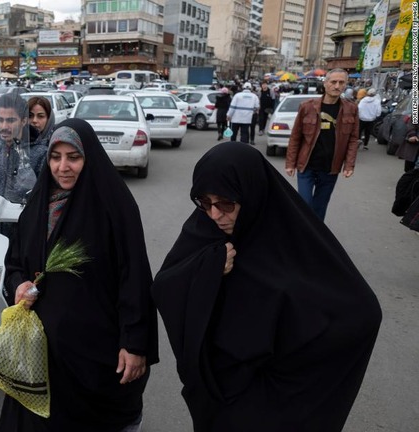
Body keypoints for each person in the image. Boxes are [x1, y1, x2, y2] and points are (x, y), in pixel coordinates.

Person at [151, 142, 382, 432]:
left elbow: (362, 312)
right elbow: (165, 285)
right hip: (219, 393)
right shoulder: (204, 232)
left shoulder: (294, 239)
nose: (214, 214)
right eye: (203, 202)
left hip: (274, 399)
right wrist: (208, 269)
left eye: (225, 203)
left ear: (251, 193)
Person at [0, 119, 159, 431]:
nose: (63, 167)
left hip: (95, 354)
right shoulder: (37, 205)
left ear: (90, 158)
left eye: (74, 157)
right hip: (39, 353)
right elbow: (14, 261)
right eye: (55, 157)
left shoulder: (115, 207)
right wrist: (18, 284)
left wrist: (135, 344)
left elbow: (135, 279)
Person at [285, 68, 360, 220]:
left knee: (319, 208)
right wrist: (290, 163)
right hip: (307, 166)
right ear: (325, 84)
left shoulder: (351, 109)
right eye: (333, 82)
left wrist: (349, 164)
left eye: (341, 82)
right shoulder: (307, 106)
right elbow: (295, 137)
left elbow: (353, 138)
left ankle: (315, 241)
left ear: (346, 85)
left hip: (330, 168)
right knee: (304, 206)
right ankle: (301, 237)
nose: (337, 86)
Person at [27, 96, 56, 175]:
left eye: (40, 116)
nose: (34, 121)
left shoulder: (55, 145)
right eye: (30, 116)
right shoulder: (16, 143)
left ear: (49, 119)